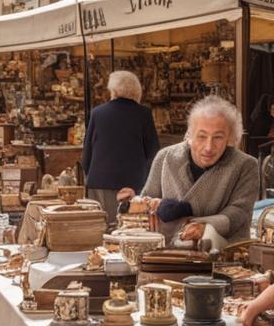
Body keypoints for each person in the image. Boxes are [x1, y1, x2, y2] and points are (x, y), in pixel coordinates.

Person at [119, 95, 259, 253]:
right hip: (167, 255)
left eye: (218, 137)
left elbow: (239, 212)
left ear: (230, 138)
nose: (208, 147)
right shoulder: (165, 158)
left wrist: (204, 227)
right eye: (202, 136)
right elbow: (148, 201)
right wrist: (141, 204)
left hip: (222, 256)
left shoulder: (245, 165)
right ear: (190, 134)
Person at [81, 71, 159, 225]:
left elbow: (86, 153)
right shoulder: (143, 114)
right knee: (131, 228)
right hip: (133, 184)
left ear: (114, 91)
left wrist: (90, 177)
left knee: (100, 228)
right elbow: (154, 153)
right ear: (136, 92)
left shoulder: (97, 113)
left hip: (99, 182)